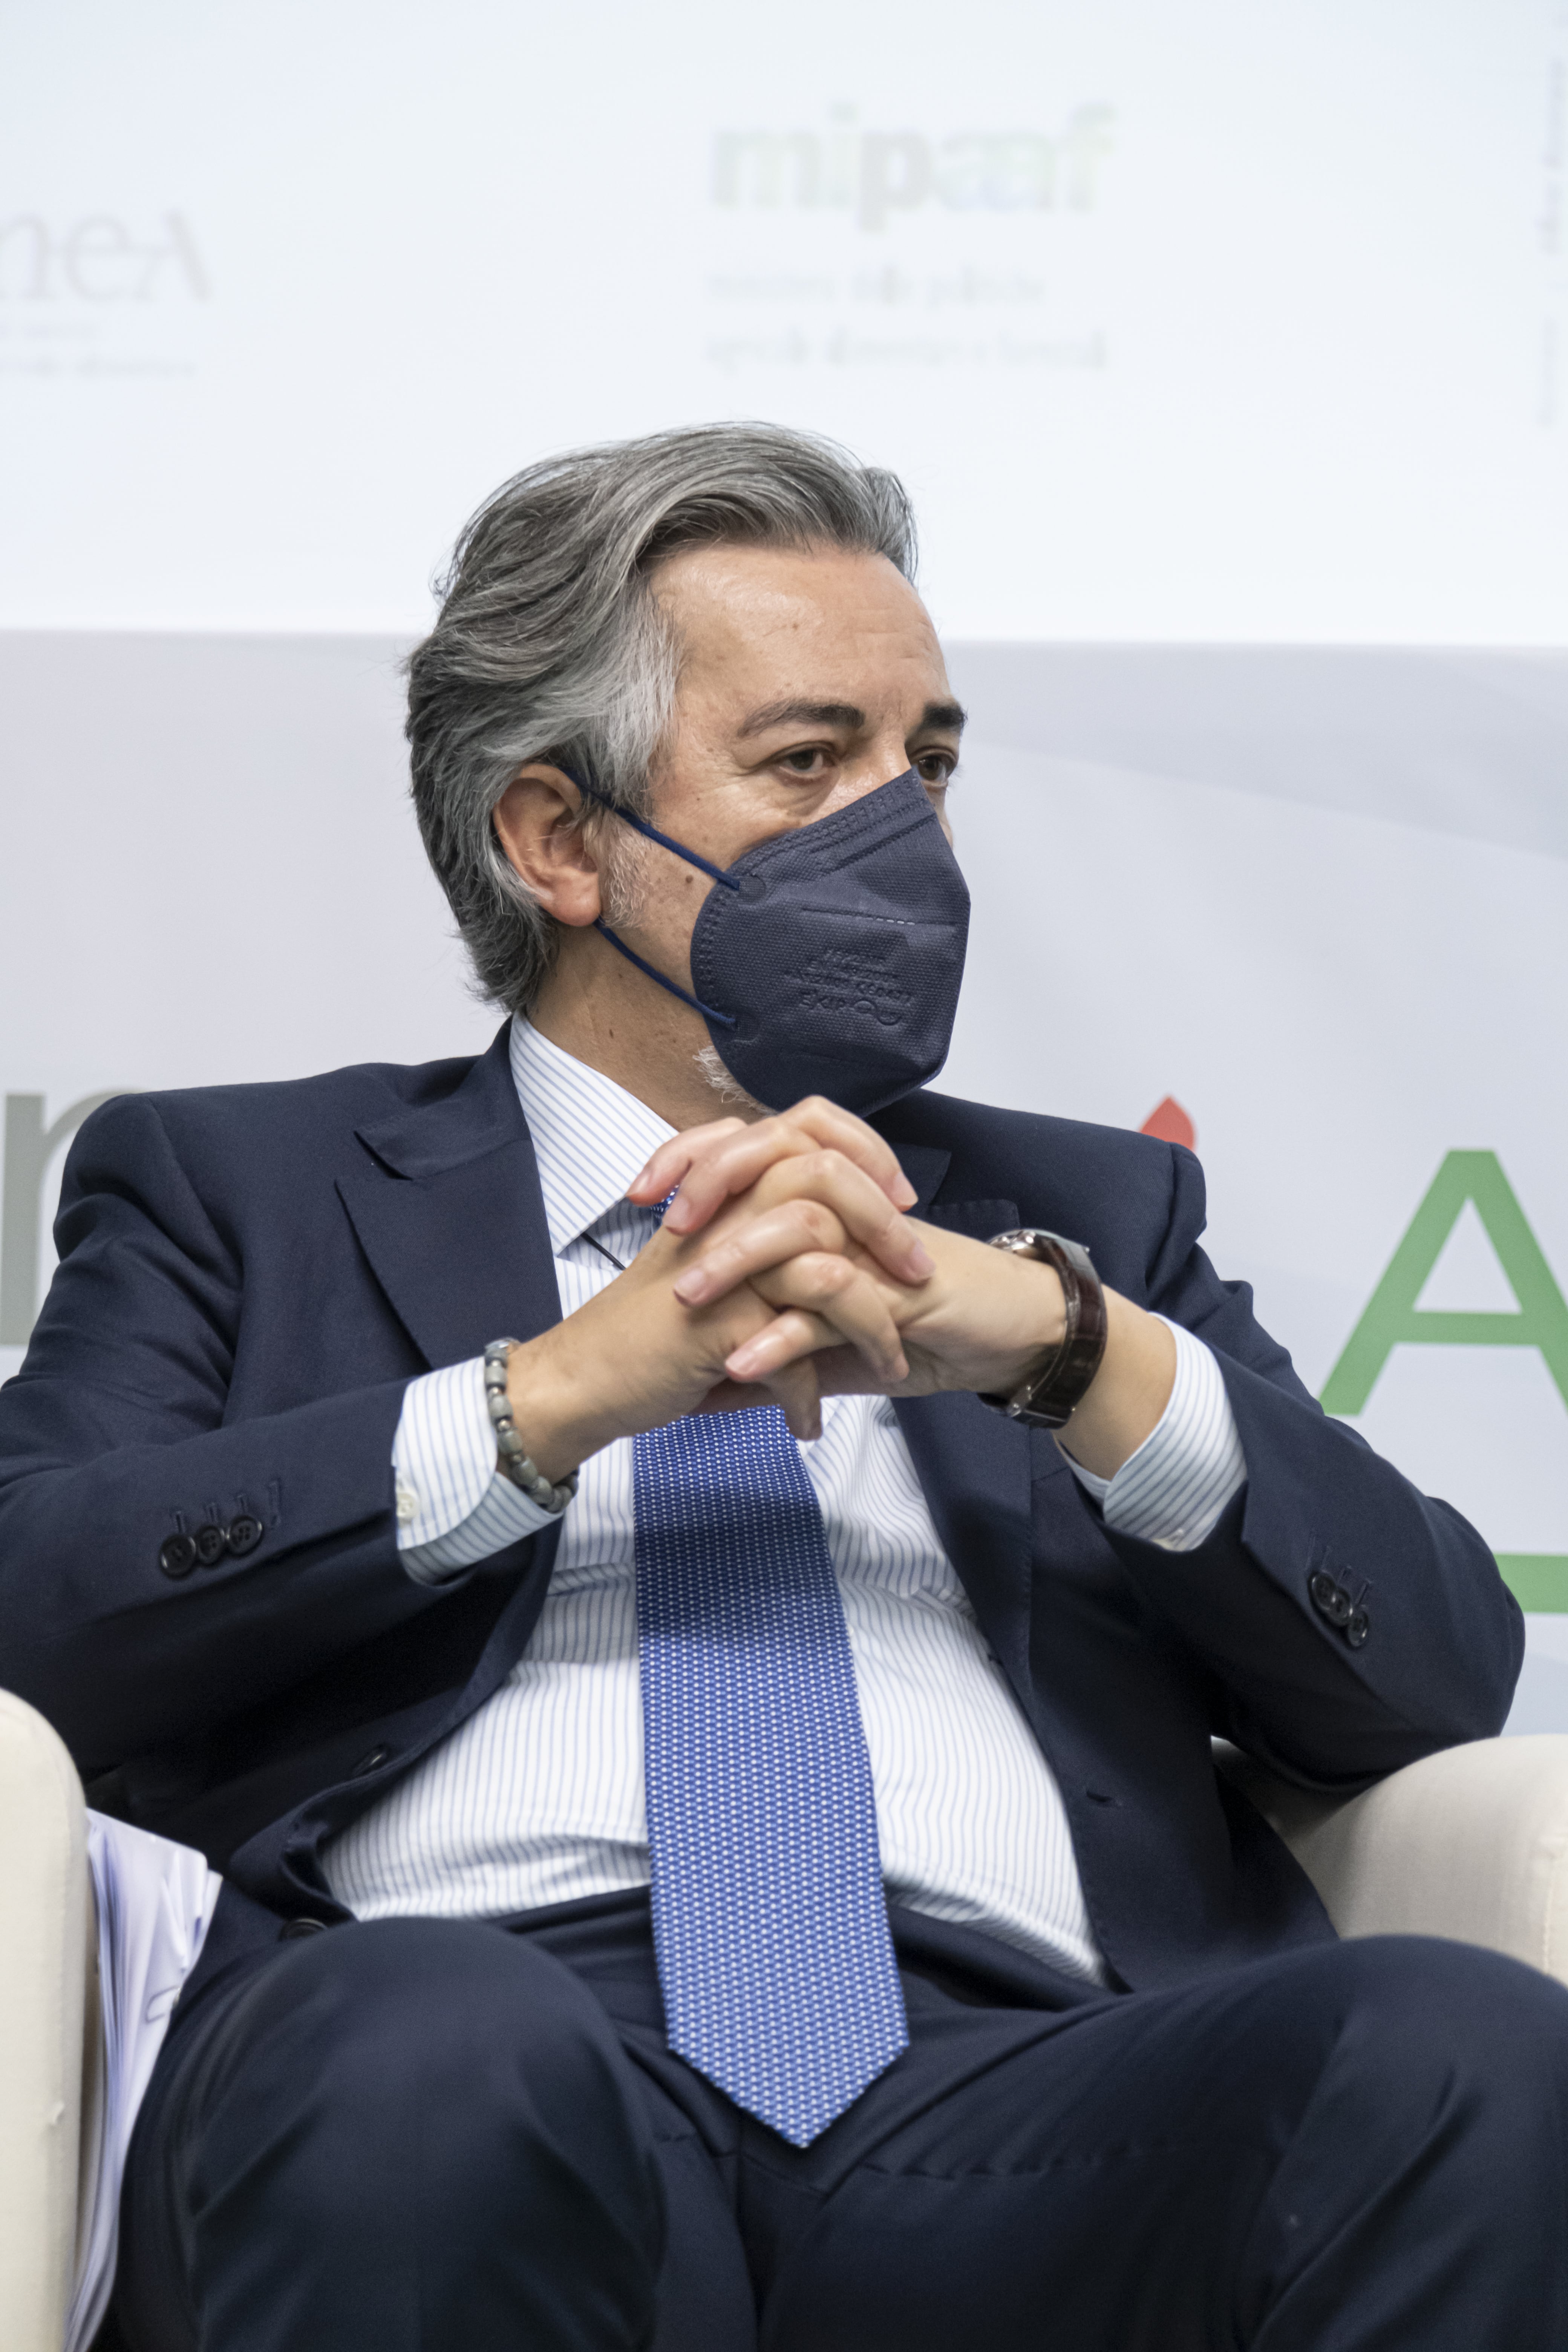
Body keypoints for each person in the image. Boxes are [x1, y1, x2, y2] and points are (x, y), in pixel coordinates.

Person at [0, 422, 1562, 2352]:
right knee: (430, 2041)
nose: (900, 832)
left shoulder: (1080, 1222)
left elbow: (1428, 1675)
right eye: (810, 763)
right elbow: (37, 1605)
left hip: (1012, 2096)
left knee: (1456, 2049)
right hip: (470, 2048)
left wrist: (1062, 1349)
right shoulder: (245, 1187)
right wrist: (542, 1404)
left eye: (928, 764)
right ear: (557, 840)